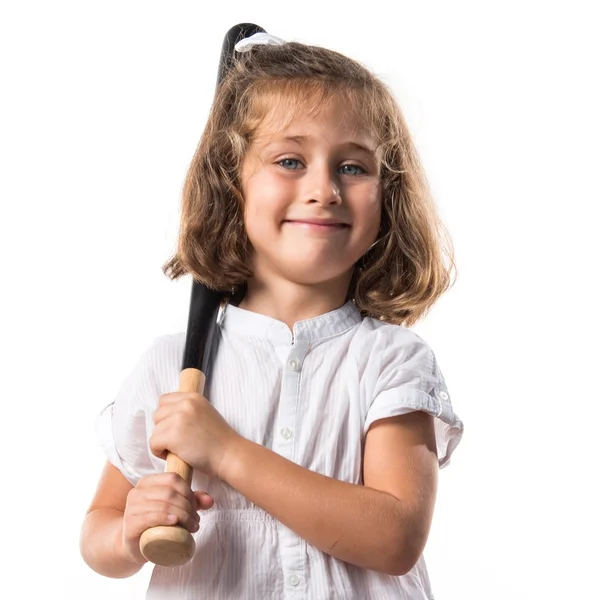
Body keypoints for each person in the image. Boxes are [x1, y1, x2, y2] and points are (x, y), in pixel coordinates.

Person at [80, 31, 464, 600]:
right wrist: (131, 530)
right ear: (230, 185)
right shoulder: (172, 365)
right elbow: (99, 532)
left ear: (388, 196)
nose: (324, 188)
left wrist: (227, 452)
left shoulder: (392, 361)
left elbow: (395, 537)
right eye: (289, 160)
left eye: (353, 168)